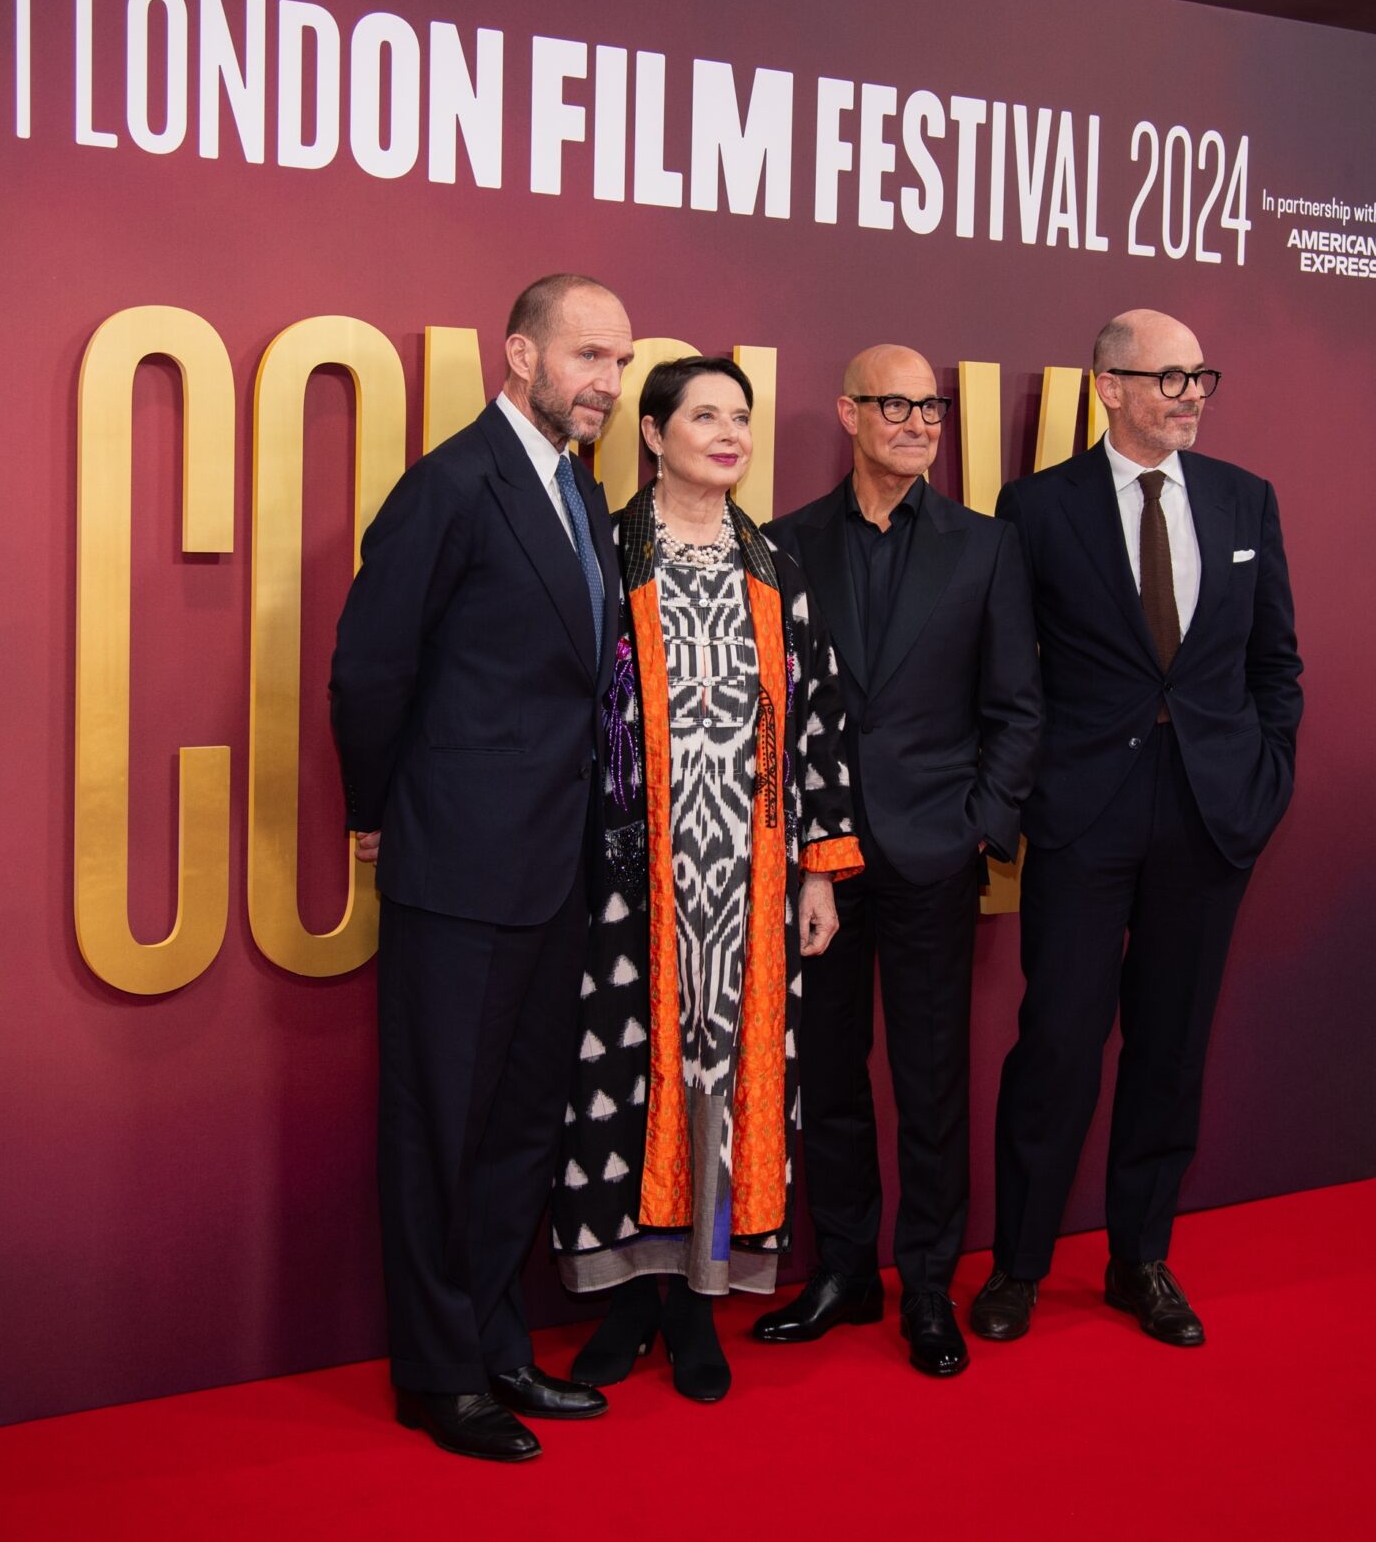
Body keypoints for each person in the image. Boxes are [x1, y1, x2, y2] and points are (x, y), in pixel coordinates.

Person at [329, 273, 633, 1463]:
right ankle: (439, 1374)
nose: (605, 379)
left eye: (617, 359)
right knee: (438, 1128)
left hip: (554, 869)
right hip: (456, 866)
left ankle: (498, 1343)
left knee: (517, 1127)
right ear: (518, 355)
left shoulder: (579, 493)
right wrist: (377, 812)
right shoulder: (450, 485)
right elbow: (367, 672)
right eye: (585, 355)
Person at [970, 309, 1303, 1349]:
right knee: (1059, 1043)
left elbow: (1274, 665)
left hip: (1208, 815)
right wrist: (1023, 793)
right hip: (1080, 815)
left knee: (1170, 1046)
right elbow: (1005, 669)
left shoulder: (1245, 497)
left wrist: (1265, 779)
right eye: (1167, 377)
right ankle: (1020, 1263)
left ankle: (1140, 1258)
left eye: (1200, 374)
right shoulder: (1035, 506)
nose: (1191, 393)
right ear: (1107, 385)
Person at [550, 355, 864, 1404]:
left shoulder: (774, 564)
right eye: (703, 414)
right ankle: (627, 1295)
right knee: (627, 1078)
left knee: (723, 1086)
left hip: (748, 875)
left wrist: (819, 870)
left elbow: (817, 721)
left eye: (741, 415)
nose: (728, 432)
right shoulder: (605, 551)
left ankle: (696, 1296)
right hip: (626, 873)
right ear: (651, 431)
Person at [751, 345, 1041, 1378]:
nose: (920, 421)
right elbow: (773, 710)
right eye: (898, 403)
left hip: (932, 852)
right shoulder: (785, 545)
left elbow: (1016, 705)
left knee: (928, 1079)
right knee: (825, 1074)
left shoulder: (984, 547)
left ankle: (924, 1282)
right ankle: (842, 1271)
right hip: (818, 864)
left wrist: (977, 823)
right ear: (848, 412)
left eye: (932, 406)